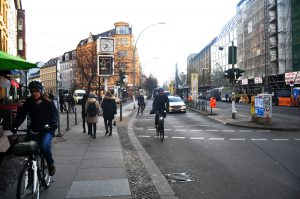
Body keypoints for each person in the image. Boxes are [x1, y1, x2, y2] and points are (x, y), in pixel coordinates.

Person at [11, 80, 58, 176]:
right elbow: (22, 114)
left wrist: (53, 123)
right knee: (29, 149)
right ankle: (31, 175)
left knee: (44, 146)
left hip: (48, 128)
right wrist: (15, 125)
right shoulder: (29, 101)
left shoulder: (48, 100)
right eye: (32, 91)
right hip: (34, 128)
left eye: (36, 91)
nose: (34, 93)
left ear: (40, 91)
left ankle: (50, 164)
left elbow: (54, 114)